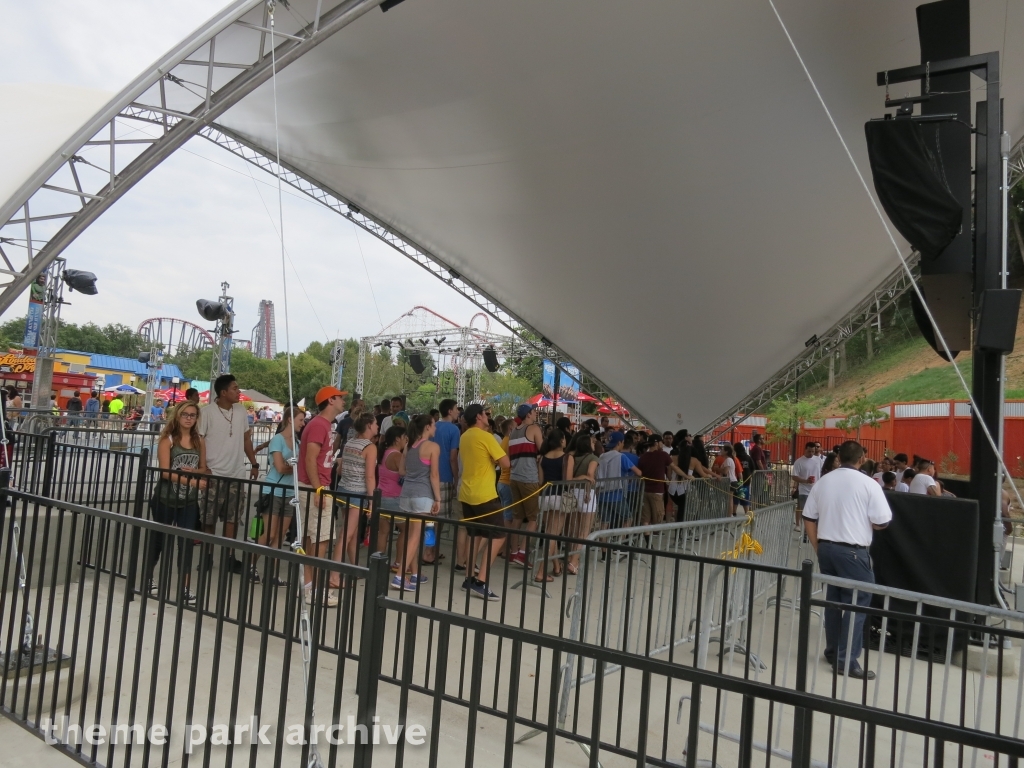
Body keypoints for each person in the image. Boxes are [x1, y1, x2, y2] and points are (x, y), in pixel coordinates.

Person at [802, 440, 891, 679]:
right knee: (857, 603)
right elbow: (882, 521)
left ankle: (833, 651)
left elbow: (808, 517)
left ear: (838, 457)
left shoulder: (824, 481)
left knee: (834, 600)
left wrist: (817, 546)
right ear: (862, 459)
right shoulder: (869, 484)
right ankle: (846, 661)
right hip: (853, 551)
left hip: (827, 548)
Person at [146, 400, 207, 606]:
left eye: (193, 415)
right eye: (185, 415)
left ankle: (184, 587)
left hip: (188, 500)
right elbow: (165, 472)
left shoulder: (199, 440)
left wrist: (195, 474)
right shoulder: (168, 440)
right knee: (159, 540)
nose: (189, 418)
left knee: (186, 543)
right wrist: (191, 481)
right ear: (178, 416)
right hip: (165, 498)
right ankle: (148, 577)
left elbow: (204, 468)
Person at [198, 374, 259, 572]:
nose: (238, 391)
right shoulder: (207, 413)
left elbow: (246, 439)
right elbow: (200, 441)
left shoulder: (241, 412)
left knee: (232, 518)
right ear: (223, 392)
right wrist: (203, 467)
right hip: (214, 473)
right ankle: (207, 555)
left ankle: (229, 556)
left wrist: (254, 463)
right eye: (235, 388)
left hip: (236, 473)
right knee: (209, 518)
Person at [297, 386, 348, 606]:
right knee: (321, 539)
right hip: (315, 487)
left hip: (313, 485)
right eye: (340, 398)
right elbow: (310, 459)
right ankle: (314, 588)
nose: (343, 402)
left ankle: (308, 585)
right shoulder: (319, 425)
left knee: (313, 537)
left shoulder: (323, 424)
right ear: (330, 401)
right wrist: (318, 488)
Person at [457, 403, 510, 600]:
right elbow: (505, 463)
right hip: (485, 494)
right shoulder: (485, 436)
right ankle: (481, 581)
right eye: (486, 414)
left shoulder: (465, 437)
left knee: (475, 535)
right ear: (479, 417)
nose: (488, 417)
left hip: (466, 493)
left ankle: (469, 577)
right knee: (499, 535)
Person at [253, 406, 298, 586]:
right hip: (274, 489)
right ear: (290, 420)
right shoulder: (278, 440)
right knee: (269, 533)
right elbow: (280, 467)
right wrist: (294, 468)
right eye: (301, 420)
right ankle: (251, 564)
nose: (303, 423)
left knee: (280, 534)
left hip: (289, 491)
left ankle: (273, 573)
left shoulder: (296, 442)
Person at [397, 415, 441, 590]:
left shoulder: (409, 446)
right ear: (428, 427)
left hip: (406, 494)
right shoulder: (432, 447)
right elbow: (434, 475)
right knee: (416, 537)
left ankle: (414, 574)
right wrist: (438, 498)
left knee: (411, 537)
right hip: (423, 495)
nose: (435, 428)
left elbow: (401, 471)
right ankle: (400, 576)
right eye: (434, 425)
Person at [335, 413, 379, 568]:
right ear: (369, 425)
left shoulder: (350, 442)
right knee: (346, 535)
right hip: (357, 493)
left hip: (343, 489)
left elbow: (340, 470)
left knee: (350, 533)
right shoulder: (370, 447)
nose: (377, 426)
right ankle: (334, 572)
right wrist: (372, 501)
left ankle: (354, 565)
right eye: (375, 423)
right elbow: (370, 477)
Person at [507, 403, 544, 566]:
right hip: (529, 478)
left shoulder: (513, 432)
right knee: (533, 518)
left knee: (517, 517)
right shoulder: (534, 429)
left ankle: (513, 552)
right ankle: (522, 553)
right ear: (528, 414)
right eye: (534, 411)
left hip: (514, 478)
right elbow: (543, 449)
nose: (536, 413)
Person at [431, 398, 462, 566]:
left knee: (429, 517)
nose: (458, 412)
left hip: (428, 476)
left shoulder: (433, 426)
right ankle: (430, 552)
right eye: (456, 409)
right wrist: (456, 478)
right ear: (450, 411)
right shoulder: (454, 430)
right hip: (445, 477)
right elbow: (453, 457)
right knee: (439, 519)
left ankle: (430, 549)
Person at [375, 424, 410, 575]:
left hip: (382, 496)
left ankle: (378, 561)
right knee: (406, 530)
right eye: (404, 437)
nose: (406, 440)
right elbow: (407, 472)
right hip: (395, 498)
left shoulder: (384, 452)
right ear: (397, 439)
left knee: (383, 531)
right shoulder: (396, 455)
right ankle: (398, 562)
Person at [565, 434, 600, 573]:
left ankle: (572, 558)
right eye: (592, 441)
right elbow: (590, 475)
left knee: (575, 530)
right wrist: (587, 490)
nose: (594, 443)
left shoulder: (573, 458)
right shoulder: (593, 458)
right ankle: (574, 563)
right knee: (584, 531)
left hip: (574, 492)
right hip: (586, 493)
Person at [596, 431, 643, 529]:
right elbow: (638, 473)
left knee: (604, 522)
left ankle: (603, 544)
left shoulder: (602, 456)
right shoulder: (621, 456)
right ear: (619, 443)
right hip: (616, 495)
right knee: (628, 518)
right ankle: (620, 541)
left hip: (601, 494)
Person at [638, 434, 684, 526]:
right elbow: (674, 468)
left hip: (645, 491)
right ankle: (655, 534)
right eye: (661, 442)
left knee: (646, 518)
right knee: (658, 515)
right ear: (657, 443)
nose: (662, 444)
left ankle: (647, 537)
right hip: (657, 491)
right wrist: (686, 476)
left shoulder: (643, 457)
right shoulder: (663, 455)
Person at [792, 442, 819, 529]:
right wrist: (805, 481)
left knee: (815, 508)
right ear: (805, 450)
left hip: (816, 489)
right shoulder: (799, 462)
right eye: (809, 451)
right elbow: (794, 476)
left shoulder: (818, 460)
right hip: (804, 489)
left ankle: (811, 526)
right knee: (801, 507)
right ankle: (798, 524)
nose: (811, 453)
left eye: (813, 451)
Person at [713, 444, 742, 515]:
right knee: (728, 499)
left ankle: (729, 515)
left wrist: (717, 469)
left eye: (722, 450)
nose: (721, 451)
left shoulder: (729, 460)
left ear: (726, 452)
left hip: (731, 481)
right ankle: (727, 514)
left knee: (729, 499)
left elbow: (725, 471)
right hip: (729, 481)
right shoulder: (727, 460)